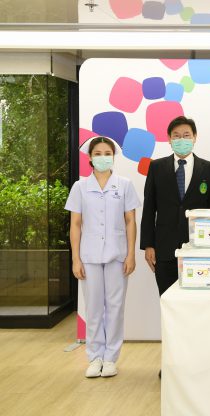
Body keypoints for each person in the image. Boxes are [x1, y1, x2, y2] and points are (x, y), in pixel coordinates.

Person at [65, 136, 141, 378]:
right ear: (90, 157)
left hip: (118, 255)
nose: (102, 157)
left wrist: (131, 254)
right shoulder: (80, 187)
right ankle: (95, 356)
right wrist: (76, 259)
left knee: (115, 308)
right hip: (88, 256)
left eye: (107, 153)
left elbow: (130, 221)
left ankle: (110, 358)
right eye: (97, 153)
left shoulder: (124, 185)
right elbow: (75, 224)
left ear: (113, 156)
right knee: (94, 308)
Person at [140, 116, 210, 296]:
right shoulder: (156, 167)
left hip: (198, 249)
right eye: (176, 136)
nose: (181, 139)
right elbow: (149, 208)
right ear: (169, 139)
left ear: (195, 137)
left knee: (196, 302)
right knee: (167, 299)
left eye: (186, 135)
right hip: (164, 249)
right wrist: (148, 245)